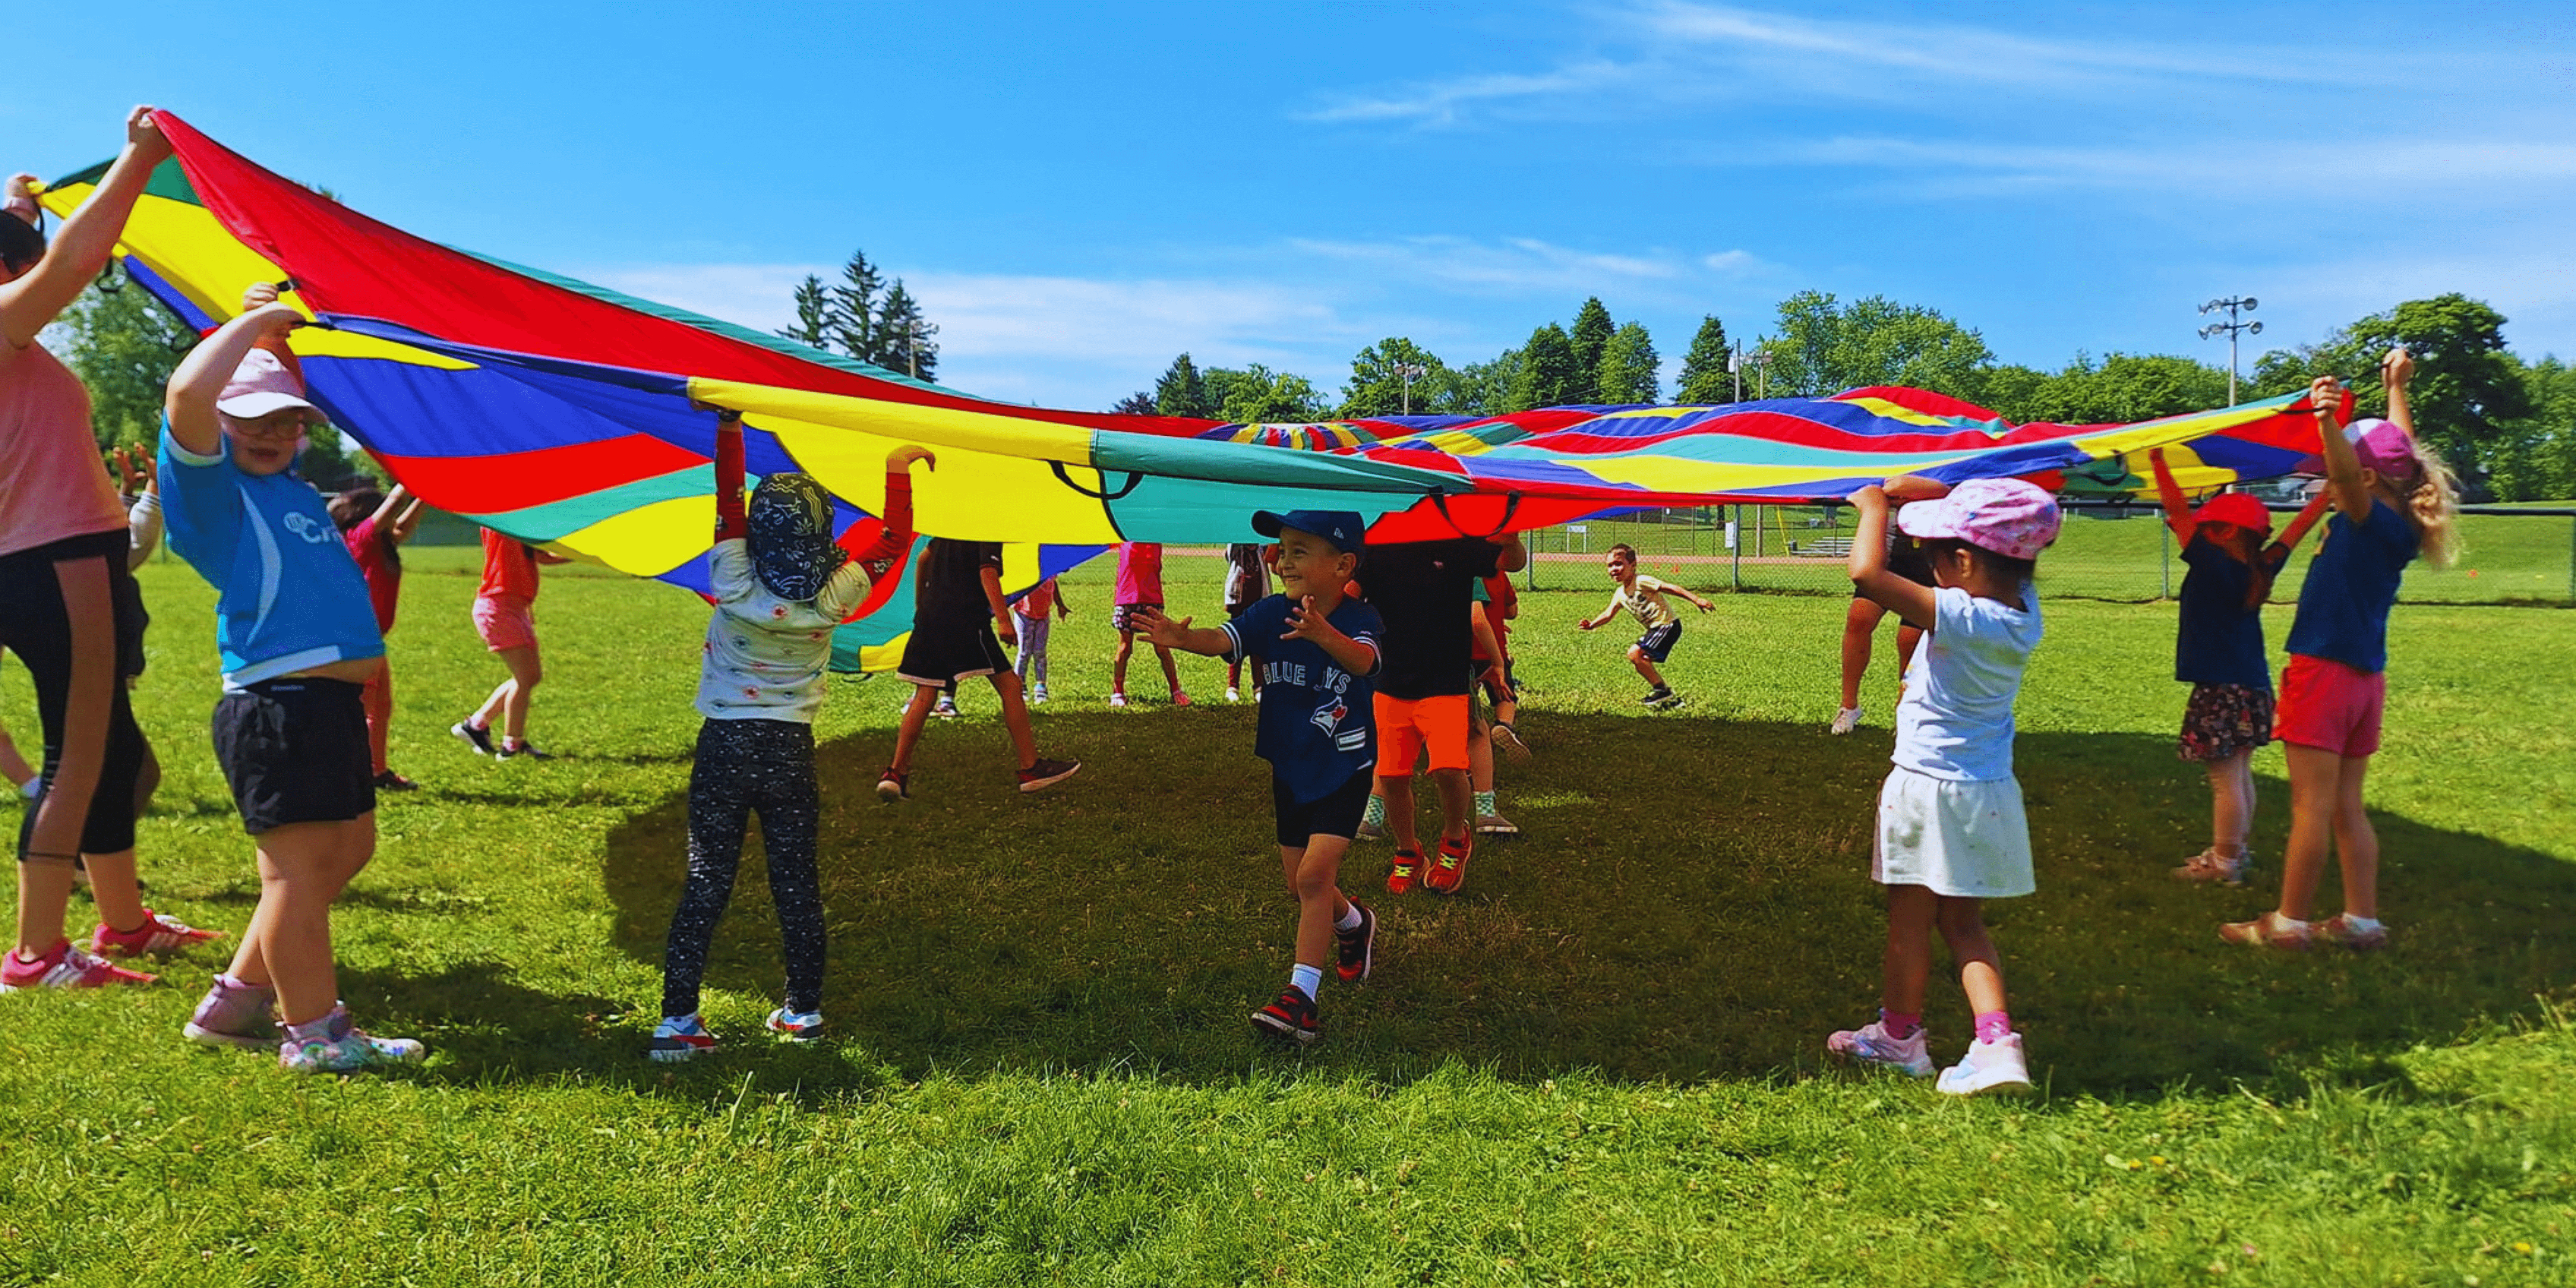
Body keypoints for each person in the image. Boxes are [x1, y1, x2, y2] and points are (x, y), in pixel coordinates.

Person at [159, 290, 423, 1072]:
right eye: (252, 419)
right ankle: (314, 1034)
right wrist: (249, 327)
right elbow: (186, 395)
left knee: (347, 850)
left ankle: (235, 1000)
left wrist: (276, 340)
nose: (274, 432)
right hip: (278, 706)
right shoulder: (214, 497)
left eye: (289, 420)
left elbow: (282, 393)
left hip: (330, 706)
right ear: (220, 428)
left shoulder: (292, 491)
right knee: (298, 873)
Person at [2, 109, 217, 996]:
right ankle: (34, 954)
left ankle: (122, 920)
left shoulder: (16, 348)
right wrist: (139, 158)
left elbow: (46, 267)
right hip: (57, 563)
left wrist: (24, 208)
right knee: (78, 754)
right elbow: (73, 268)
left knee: (115, 751)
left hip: (65, 558)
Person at [649, 411, 927, 1060]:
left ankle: (677, 1023)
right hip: (789, 750)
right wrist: (896, 469)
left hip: (723, 745)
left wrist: (729, 431)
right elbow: (892, 538)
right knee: (795, 882)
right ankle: (802, 1012)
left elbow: (728, 503)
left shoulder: (731, 576)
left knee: (706, 878)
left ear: (755, 529)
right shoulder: (836, 594)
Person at [1826, 476, 2058, 1096]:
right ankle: (1997, 1042)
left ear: (1961, 562)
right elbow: (1994, 517)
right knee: (1964, 924)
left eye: (1929, 553)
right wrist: (1926, 491)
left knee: (1908, 922)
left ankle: (1899, 1038)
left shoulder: (1960, 613)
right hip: (1987, 793)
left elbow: (1868, 575)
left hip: (1926, 791)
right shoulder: (2021, 611)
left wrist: (1875, 507)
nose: (1922, 564)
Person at [2222, 356, 2460, 952]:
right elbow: (2396, 453)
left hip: (2323, 672)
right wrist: (2395, 389)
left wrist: (2328, 422)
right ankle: (2361, 920)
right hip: (2362, 681)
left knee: (2311, 807)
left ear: (2366, 478)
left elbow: (2352, 478)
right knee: (2346, 806)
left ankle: (2288, 924)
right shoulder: (2399, 517)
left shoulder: (2364, 512)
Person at [1133, 511, 1382, 1042]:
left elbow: (1364, 663)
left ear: (1342, 565)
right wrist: (1180, 638)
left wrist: (1323, 634)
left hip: (1344, 766)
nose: (1281, 560)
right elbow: (1224, 641)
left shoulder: (1362, 619)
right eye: (1281, 549)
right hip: (1290, 764)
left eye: (1298, 550)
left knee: (1315, 877)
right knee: (1300, 885)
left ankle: (1301, 1000)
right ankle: (1354, 925)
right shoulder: (1271, 613)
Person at [2149, 450, 2328, 886]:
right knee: (2240, 773)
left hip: (2221, 689)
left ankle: (2225, 862)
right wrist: (2329, 495)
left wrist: (2157, 456)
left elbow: (2175, 508)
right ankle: (2235, 851)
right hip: (2252, 687)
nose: (2190, 530)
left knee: (2224, 780)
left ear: (2226, 531)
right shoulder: (2261, 566)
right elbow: (2297, 530)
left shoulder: (2213, 565)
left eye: (2206, 525)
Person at [1357, 528, 1528, 896]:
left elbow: (1512, 563)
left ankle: (1454, 839)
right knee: (1391, 776)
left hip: (1446, 683)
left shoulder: (1458, 542)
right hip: (1391, 684)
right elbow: (1348, 595)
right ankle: (1408, 852)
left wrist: (1511, 542)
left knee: (1449, 768)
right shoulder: (1377, 543)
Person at [877, 539, 1080, 800]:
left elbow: (922, 560)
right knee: (1011, 686)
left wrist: (922, 606)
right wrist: (1004, 621)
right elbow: (987, 571)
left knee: (926, 694)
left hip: (931, 615)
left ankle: (895, 775)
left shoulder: (951, 527)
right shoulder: (985, 528)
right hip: (966, 617)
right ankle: (1031, 769)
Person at [331, 483, 424, 790]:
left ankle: (375, 771)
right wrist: (414, 475)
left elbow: (404, 525)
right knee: (358, 710)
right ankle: (346, 774)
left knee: (380, 707)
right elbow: (396, 503)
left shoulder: (383, 543)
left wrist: (427, 495)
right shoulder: (359, 539)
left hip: (372, 640)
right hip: (355, 640)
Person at [452, 525, 568, 760]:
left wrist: (587, 555)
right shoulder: (502, 526)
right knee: (525, 678)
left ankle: (476, 726)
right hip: (498, 607)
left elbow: (544, 557)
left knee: (530, 677)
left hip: (515, 608)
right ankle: (511, 747)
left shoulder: (521, 534)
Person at [1830, 512, 1934, 735]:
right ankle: (1849, 707)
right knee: (1859, 618)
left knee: (1910, 640)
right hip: (1887, 556)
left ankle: (1905, 710)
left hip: (1927, 556)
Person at [1576, 542, 1712, 708]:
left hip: (1667, 625)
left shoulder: (1642, 581)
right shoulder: (1620, 594)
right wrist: (1592, 625)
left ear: (1633, 565)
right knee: (1642, 661)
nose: (1614, 569)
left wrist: (1697, 600)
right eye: (1610, 565)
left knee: (1635, 654)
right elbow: (1608, 614)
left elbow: (1671, 588)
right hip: (1657, 629)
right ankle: (1672, 701)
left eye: (1619, 564)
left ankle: (1662, 691)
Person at [1109, 540, 1187, 708]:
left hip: (1152, 600)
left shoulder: (1155, 542)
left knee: (1162, 647)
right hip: (1127, 599)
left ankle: (1176, 691)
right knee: (1125, 647)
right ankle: (1118, 692)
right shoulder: (1125, 541)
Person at [1221, 541, 1270, 702]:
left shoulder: (1262, 549)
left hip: (1259, 603)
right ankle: (1233, 687)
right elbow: (1231, 541)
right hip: (1238, 603)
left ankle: (1259, 687)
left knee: (1258, 648)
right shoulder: (1237, 549)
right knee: (1236, 645)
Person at [1011, 575, 1071, 704]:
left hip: (1043, 615)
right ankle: (1020, 687)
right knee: (1024, 652)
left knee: (1040, 652)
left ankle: (1041, 688)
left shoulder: (1050, 570)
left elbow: (1054, 586)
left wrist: (1060, 605)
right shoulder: (1028, 568)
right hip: (1024, 614)